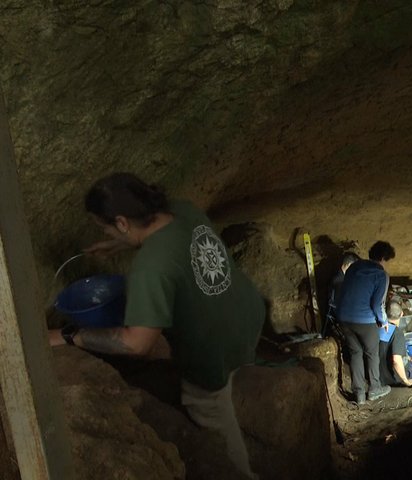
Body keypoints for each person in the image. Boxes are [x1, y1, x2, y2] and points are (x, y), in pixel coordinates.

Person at [47, 173, 264, 480]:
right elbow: (168, 247)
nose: (106, 231)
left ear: (122, 222)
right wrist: (120, 244)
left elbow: (137, 343)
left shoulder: (149, 268)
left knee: (211, 417)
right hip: (246, 313)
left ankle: (240, 473)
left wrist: (71, 335)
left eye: (105, 226)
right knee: (233, 370)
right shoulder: (183, 210)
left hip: (211, 353)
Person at [335, 241, 395, 405]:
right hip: (364, 320)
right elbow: (377, 304)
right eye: (386, 260)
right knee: (371, 353)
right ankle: (375, 388)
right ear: (383, 258)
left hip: (344, 317)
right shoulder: (381, 275)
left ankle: (359, 395)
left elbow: (346, 290)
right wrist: (383, 321)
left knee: (355, 353)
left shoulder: (354, 267)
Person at [379, 298, 412, 387]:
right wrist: (406, 381)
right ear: (402, 314)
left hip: (379, 376)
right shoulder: (397, 333)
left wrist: (409, 358)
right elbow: (396, 360)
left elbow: (386, 352)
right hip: (394, 378)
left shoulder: (379, 328)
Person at [325, 251, 360, 335]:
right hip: (340, 312)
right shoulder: (339, 281)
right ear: (347, 265)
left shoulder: (343, 276)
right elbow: (340, 302)